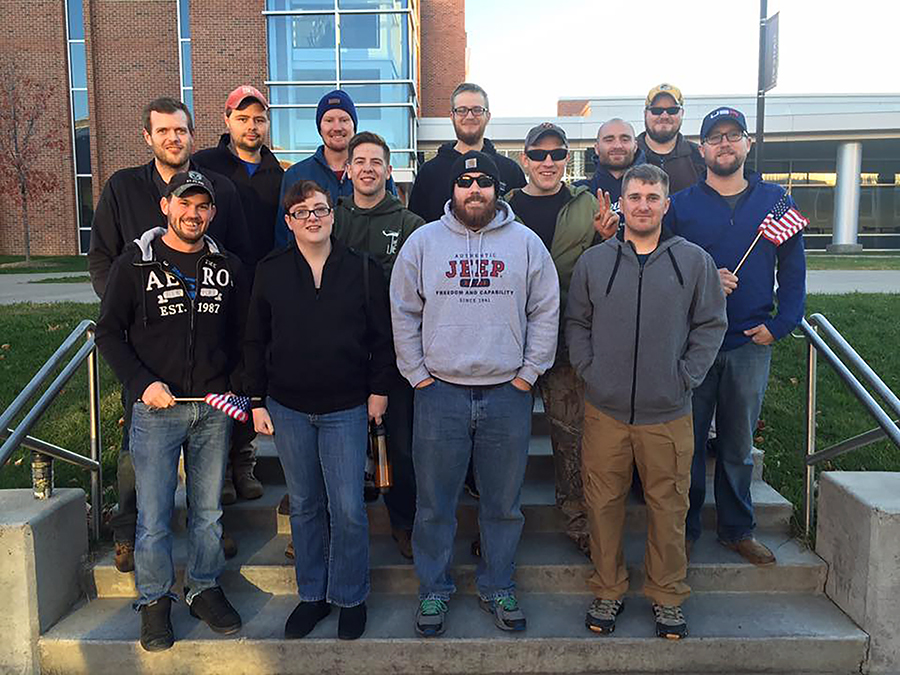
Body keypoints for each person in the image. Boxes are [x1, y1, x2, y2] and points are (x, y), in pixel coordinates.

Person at [391, 150, 559, 637]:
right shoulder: (424, 242)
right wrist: (417, 374)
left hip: (507, 393)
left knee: (503, 503)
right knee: (435, 504)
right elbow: (403, 309)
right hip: (439, 392)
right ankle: (434, 591)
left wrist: (529, 374)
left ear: (497, 188)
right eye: (464, 182)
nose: (474, 190)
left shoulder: (526, 244)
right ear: (452, 190)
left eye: (484, 181)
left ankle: (498, 584)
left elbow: (546, 310)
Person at [88, 97, 250, 571]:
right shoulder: (122, 188)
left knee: (209, 487)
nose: (173, 138)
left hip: (207, 373)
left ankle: (212, 549)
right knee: (133, 455)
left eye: (180, 131)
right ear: (148, 136)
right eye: (163, 131)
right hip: (147, 355)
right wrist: (129, 299)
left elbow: (234, 259)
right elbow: (101, 259)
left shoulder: (217, 188)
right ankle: (126, 533)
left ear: (191, 135)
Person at [566, 163, 727, 640]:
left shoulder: (693, 261)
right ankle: (608, 589)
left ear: (665, 204)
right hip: (606, 410)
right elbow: (576, 322)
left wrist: (687, 376)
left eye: (652, 198)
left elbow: (710, 324)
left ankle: (668, 596)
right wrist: (590, 371)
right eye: (634, 197)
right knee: (603, 504)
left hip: (668, 412)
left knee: (669, 507)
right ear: (622, 203)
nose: (642, 206)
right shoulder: (596, 262)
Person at [95, 171, 248, 652]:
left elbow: (246, 338)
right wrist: (142, 385)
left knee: (207, 513)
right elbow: (107, 334)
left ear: (212, 213)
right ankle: (155, 600)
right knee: (155, 516)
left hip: (212, 410)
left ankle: (203, 585)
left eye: (203, 206)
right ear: (166, 207)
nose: (193, 213)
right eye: (185, 203)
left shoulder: (229, 267)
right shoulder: (135, 265)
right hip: (157, 409)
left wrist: (235, 388)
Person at [244, 180, 395, 641]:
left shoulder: (362, 270)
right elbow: (254, 339)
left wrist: (378, 391)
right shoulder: (270, 271)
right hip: (287, 408)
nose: (313, 217)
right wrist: (254, 401)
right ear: (289, 222)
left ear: (333, 215)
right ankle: (313, 594)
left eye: (321, 209)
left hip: (346, 406)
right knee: (306, 506)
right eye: (302, 212)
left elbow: (381, 339)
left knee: (348, 507)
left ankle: (350, 595)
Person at [666, 106, 807, 565]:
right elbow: (662, 266)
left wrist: (783, 322)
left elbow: (794, 269)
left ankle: (736, 528)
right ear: (701, 148)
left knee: (737, 445)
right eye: (715, 137)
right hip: (692, 343)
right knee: (685, 444)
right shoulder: (681, 205)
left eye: (733, 135)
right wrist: (704, 279)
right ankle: (684, 529)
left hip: (749, 339)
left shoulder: (774, 202)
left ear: (746, 144)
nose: (724, 144)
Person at [505, 122, 618, 555]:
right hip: (512, 341)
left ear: (566, 158)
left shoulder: (587, 204)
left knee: (572, 438)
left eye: (556, 154)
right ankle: (500, 524)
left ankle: (578, 519)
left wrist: (609, 240)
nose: (548, 162)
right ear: (525, 160)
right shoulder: (505, 207)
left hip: (569, 339)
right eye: (539, 154)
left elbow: (607, 269)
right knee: (504, 440)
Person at [333, 131, 424, 560]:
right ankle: (334, 523)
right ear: (347, 169)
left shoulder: (410, 225)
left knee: (401, 446)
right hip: (341, 351)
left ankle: (403, 521)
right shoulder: (328, 218)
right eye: (360, 161)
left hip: (395, 354)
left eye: (376, 162)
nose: (368, 168)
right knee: (341, 444)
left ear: (389, 172)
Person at [274, 90, 396, 247]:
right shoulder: (296, 175)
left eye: (344, 120)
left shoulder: (373, 175)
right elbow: (283, 235)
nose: (337, 127)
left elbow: (392, 217)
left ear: (354, 126)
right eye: (329, 120)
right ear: (319, 127)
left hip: (368, 265)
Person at [407, 82, 526, 224]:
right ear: (452, 116)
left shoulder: (510, 170)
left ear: (487, 116)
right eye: (462, 110)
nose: (469, 116)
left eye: (477, 110)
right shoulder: (429, 172)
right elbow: (417, 227)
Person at [636, 83, 706, 194]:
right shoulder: (629, 155)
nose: (664, 116)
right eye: (656, 111)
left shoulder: (700, 157)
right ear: (645, 114)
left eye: (672, 110)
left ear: (682, 113)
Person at [575, 118, 646, 209]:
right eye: (609, 140)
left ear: (635, 146)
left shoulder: (655, 188)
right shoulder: (578, 194)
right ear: (597, 148)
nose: (617, 146)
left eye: (625, 139)